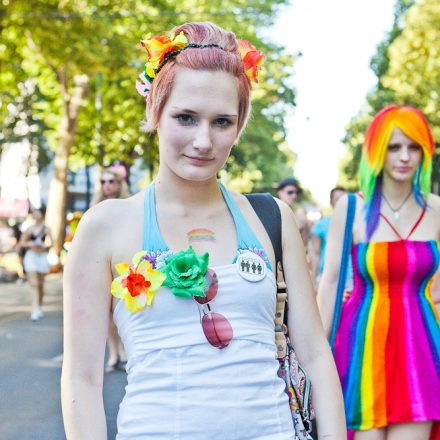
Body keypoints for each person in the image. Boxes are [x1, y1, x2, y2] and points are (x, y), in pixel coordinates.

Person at [61, 22, 345, 439]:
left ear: (240, 125)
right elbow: (82, 379)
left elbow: (317, 355)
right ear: (154, 112)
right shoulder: (104, 227)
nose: (203, 141)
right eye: (186, 117)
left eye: (222, 122)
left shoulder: (271, 217)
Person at [318, 105, 440, 439]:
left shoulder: (436, 209)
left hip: (421, 344)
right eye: (394, 146)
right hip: (361, 343)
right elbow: (329, 283)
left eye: (414, 147)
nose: (405, 157)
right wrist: (312, 355)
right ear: (376, 151)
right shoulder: (351, 208)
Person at [93, 165, 131, 373]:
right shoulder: (95, 207)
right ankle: (113, 353)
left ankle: (124, 351)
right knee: (106, 314)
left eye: (111, 181)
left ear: (118, 184)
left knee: (120, 309)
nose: (107, 185)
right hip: (99, 264)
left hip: (121, 262)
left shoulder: (128, 206)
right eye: (103, 182)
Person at [19, 206, 52, 321]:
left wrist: (44, 246)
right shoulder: (29, 229)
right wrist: (31, 244)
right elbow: (22, 242)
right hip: (31, 257)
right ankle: (35, 309)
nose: (35, 215)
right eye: (34, 213)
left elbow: (50, 243)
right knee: (33, 284)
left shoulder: (46, 229)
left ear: (42, 214)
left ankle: (40, 306)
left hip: (41, 257)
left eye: (37, 213)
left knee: (40, 284)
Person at [310, 186, 347, 286]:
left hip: (352, 278)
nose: (341, 202)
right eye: (337, 199)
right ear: (331, 202)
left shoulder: (357, 224)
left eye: (344, 199)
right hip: (328, 277)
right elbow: (315, 254)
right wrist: (313, 281)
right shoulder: (320, 225)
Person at [276, 177, 310, 247]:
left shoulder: (300, 217)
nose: (294, 196)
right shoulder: (269, 214)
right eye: (290, 192)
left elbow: (304, 248)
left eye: (296, 193)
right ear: (280, 193)